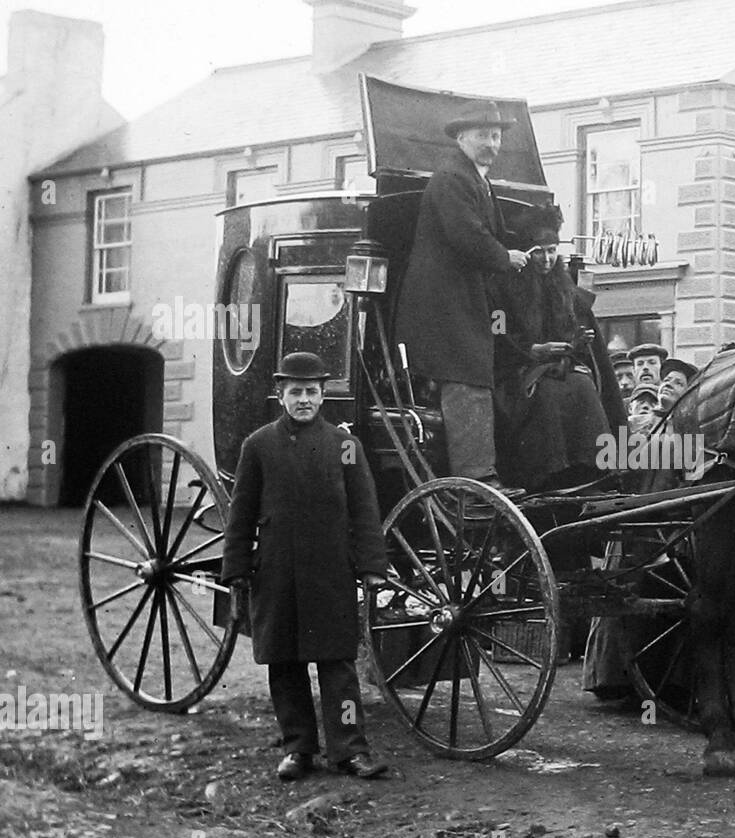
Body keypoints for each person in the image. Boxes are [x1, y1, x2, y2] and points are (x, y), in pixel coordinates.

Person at [221, 353, 389, 782]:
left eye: (311, 392)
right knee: (285, 663)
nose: (304, 400)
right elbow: (240, 515)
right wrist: (237, 569)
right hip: (277, 571)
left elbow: (365, 511)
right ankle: (298, 748)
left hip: (330, 572)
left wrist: (371, 566)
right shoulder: (257, 445)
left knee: (338, 666)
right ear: (281, 395)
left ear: (322, 395)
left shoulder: (344, 446)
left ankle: (350, 751)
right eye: (295, 392)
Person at [392, 98, 529, 494]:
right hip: (441, 308)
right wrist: (506, 257)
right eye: (485, 134)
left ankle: (493, 473)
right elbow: (467, 235)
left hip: (459, 302)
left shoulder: (475, 178)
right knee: (467, 377)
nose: (493, 143)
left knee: (488, 370)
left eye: (497, 135)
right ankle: (476, 482)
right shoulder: (453, 177)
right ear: (462, 137)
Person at [492, 204, 622, 492]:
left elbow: (566, 333)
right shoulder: (501, 291)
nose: (547, 259)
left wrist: (576, 342)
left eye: (552, 251)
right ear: (527, 253)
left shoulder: (565, 290)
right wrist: (534, 350)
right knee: (549, 394)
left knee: (582, 385)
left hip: (557, 367)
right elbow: (497, 333)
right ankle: (550, 473)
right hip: (516, 372)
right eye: (539, 251)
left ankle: (590, 469)